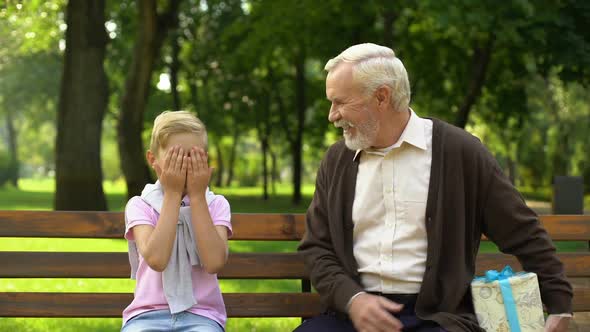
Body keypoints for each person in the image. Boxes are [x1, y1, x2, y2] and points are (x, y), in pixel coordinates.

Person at [294, 43, 573, 332]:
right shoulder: (336, 160)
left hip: (436, 318)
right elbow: (317, 248)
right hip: (352, 316)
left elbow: (522, 231)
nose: (332, 115)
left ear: (381, 97)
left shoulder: (461, 152)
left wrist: (560, 304)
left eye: (340, 102)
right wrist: (353, 299)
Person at [121, 111, 231, 332]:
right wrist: (172, 194)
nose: (185, 165)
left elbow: (214, 262)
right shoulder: (140, 205)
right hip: (146, 316)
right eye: (176, 157)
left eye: (193, 156)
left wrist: (197, 197)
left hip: (202, 317)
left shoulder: (215, 204)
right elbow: (157, 259)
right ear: (153, 160)